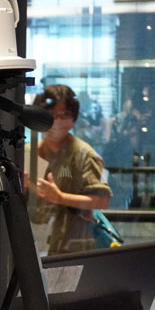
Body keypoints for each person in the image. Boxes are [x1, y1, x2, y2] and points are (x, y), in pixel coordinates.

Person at [27, 84, 112, 254]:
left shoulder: (86, 154)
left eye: (64, 115)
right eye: (50, 114)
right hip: (32, 243)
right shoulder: (26, 152)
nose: (56, 121)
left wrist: (60, 197)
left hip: (72, 245)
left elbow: (102, 200)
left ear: (73, 119)